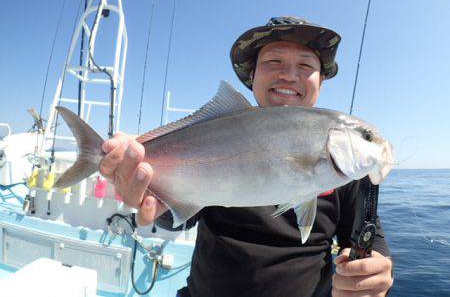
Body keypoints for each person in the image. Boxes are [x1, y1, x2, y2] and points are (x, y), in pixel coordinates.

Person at [99, 16, 393, 297]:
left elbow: (367, 237)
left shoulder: (350, 173)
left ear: (321, 81)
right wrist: (152, 197)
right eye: (274, 61)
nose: (289, 75)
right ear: (251, 76)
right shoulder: (218, 133)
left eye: (305, 65)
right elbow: (179, 219)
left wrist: (375, 273)